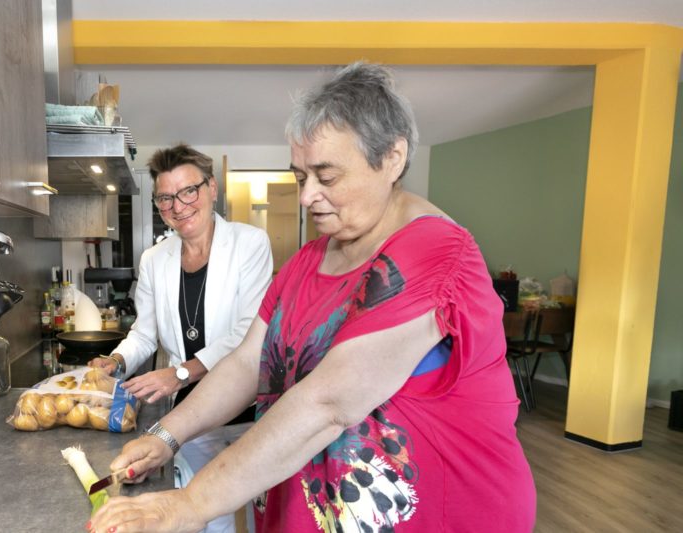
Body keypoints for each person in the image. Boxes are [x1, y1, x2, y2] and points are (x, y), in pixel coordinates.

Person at [88, 63, 536, 533]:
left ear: (392, 158)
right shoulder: (309, 260)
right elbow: (246, 363)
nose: (307, 197)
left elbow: (329, 403)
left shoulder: (435, 253)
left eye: (327, 176)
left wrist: (187, 504)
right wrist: (167, 436)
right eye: (302, 176)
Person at [88, 143, 274, 533]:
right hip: (189, 416)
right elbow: (144, 332)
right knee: (200, 518)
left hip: (246, 407)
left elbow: (247, 332)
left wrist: (183, 373)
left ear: (212, 189)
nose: (179, 206)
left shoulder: (250, 244)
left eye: (189, 191)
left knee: (253, 513)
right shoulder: (155, 260)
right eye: (166, 198)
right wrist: (117, 361)